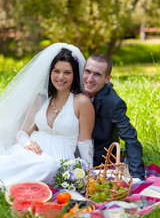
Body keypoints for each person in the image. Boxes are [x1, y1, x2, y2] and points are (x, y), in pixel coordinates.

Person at [0, 43, 95, 187]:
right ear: (50, 72)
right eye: (56, 71)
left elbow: (85, 143)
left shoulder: (81, 102)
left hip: (57, 159)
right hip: (32, 150)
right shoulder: (41, 98)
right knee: (7, 163)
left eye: (67, 72)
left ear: (74, 75)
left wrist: (89, 174)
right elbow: (22, 133)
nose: (60, 77)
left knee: (47, 167)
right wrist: (27, 143)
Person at [83, 53, 145, 181]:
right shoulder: (72, 90)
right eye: (87, 72)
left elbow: (130, 138)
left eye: (97, 74)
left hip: (98, 157)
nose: (90, 78)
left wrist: (137, 177)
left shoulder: (113, 103)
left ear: (107, 79)